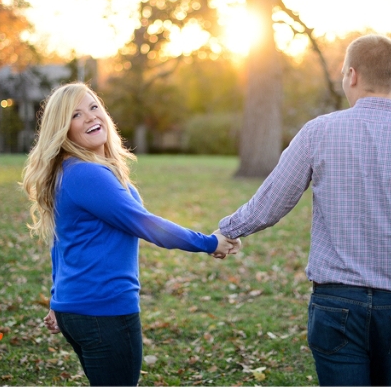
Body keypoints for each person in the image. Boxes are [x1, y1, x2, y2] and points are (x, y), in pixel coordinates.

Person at [217, 34, 391, 386]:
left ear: (352, 75)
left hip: (336, 303)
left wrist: (226, 231)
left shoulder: (318, 132)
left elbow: (270, 203)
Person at [21, 82, 240, 387]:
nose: (90, 117)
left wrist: (60, 301)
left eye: (94, 107)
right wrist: (209, 242)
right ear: (63, 129)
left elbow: (62, 245)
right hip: (103, 312)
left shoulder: (72, 171)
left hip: (81, 310)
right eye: (75, 115)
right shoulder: (86, 173)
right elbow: (144, 223)